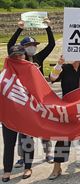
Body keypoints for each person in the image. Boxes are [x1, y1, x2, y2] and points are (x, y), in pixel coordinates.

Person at [7, 19, 55, 165]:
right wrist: (19, 29)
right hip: (23, 98)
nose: (32, 48)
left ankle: (48, 153)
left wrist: (48, 28)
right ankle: (23, 157)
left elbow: (51, 45)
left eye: (33, 45)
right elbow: (10, 46)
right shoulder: (17, 60)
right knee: (24, 128)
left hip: (39, 98)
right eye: (28, 45)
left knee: (44, 126)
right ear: (22, 48)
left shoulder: (39, 57)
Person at [2, 45, 35, 182]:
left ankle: (28, 167)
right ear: (9, 58)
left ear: (25, 56)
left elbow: (39, 91)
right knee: (9, 144)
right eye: (14, 56)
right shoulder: (3, 74)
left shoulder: (31, 72)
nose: (18, 59)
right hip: (9, 116)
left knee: (27, 141)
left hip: (26, 115)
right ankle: (7, 170)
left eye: (20, 55)